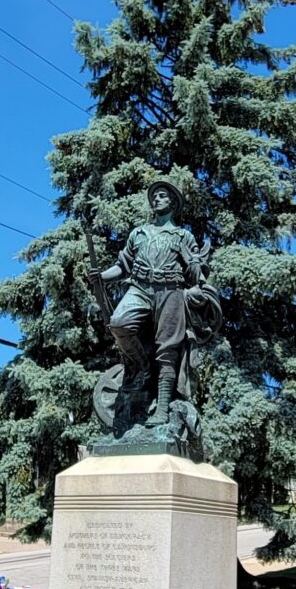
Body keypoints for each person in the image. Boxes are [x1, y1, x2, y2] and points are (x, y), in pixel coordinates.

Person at [89, 180, 204, 428]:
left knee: (167, 352)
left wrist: (192, 262)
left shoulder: (184, 236)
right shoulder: (138, 233)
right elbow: (122, 266)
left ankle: (162, 409)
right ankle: (141, 368)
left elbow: (197, 275)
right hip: (140, 287)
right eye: (154, 196)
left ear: (172, 202)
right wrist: (101, 277)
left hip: (171, 291)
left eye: (162, 196)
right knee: (119, 323)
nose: (156, 200)